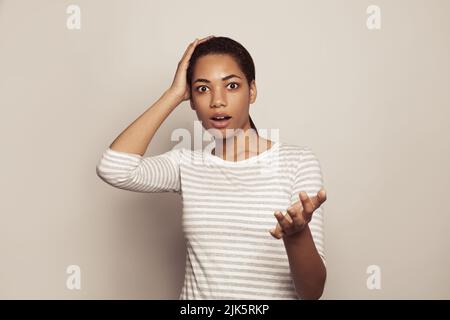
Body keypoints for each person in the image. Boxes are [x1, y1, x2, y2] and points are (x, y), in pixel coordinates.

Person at [96, 35, 328, 299]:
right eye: (203, 88)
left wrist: (297, 235)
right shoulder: (187, 165)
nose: (217, 100)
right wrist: (172, 95)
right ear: (191, 99)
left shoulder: (297, 162)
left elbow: (312, 293)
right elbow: (113, 168)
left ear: (252, 91)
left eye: (231, 85)